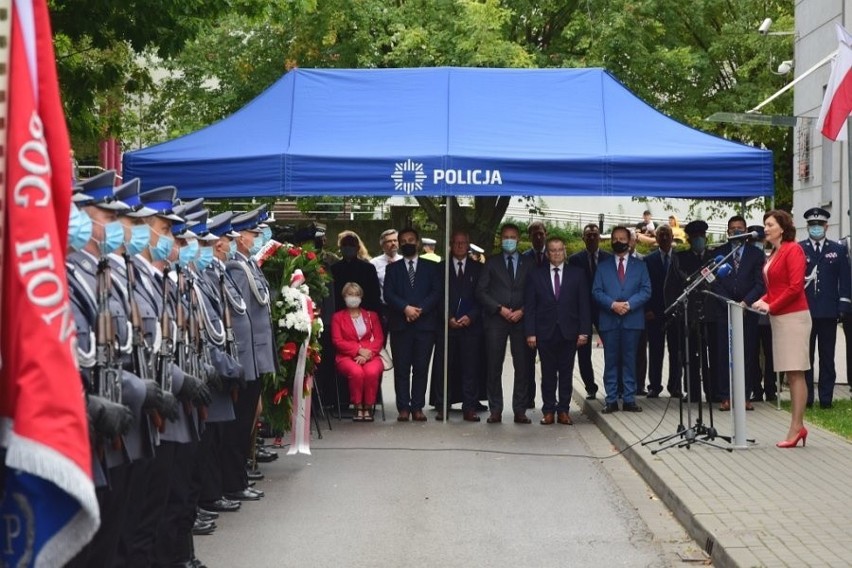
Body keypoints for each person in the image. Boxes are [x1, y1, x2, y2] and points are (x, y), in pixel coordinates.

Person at [752, 210, 811, 448]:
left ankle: (797, 427)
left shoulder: (793, 249)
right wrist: (760, 300)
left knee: (796, 372)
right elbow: (776, 286)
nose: (765, 229)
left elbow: (795, 287)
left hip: (794, 317)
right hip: (780, 317)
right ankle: (797, 425)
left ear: (782, 228)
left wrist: (771, 305)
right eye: (765, 225)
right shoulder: (774, 253)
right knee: (791, 372)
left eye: (769, 224)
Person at [524, 236, 591, 425]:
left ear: (565, 251)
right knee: (547, 374)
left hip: (569, 332)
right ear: (547, 253)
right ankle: (548, 411)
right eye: (552, 250)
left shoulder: (577, 274)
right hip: (544, 332)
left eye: (559, 250)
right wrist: (530, 333)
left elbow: (583, 305)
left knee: (566, 373)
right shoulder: (535, 275)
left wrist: (584, 332)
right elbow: (530, 306)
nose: (556, 253)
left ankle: (563, 410)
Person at [476, 223, 535, 424]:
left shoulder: (529, 262)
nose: (509, 240)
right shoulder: (491, 263)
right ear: (501, 240)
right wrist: (499, 308)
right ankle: (495, 409)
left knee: (523, 366)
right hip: (496, 320)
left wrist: (522, 310)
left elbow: (536, 292)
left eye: (513, 236)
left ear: (518, 239)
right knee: (494, 365)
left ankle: (520, 409)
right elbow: (481, 291)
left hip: (521, 320)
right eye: (505, 237)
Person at [383, 228, 443, 421]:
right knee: (401, 369)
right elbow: (389, 294)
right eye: (403, 240)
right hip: (401, 325)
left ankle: (417, 407)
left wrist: (419, 310)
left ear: (417, 243)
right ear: (399, 244)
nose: (407, 243)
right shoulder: (392, 268)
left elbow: (436, 292)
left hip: (425, 326)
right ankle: (403, 408)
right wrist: (405, 309)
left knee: (421, 368)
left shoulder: (431, 267)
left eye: (411, 240)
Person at [708, 215, 765, 412]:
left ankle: (745, 396)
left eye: (740, 228)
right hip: (725, 311)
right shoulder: (719, 253)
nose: (736, 232)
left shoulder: (756, 254)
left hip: (747, 311)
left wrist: (745, 302)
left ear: (747, 230)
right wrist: (729, 303)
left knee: (747, 354)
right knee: (725, 354)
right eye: (733, 229)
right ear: (727, 232)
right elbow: (714, 282)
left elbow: (760, 284)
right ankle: (726, 396)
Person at [592, 225, 652, 413]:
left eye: (622, 238)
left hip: (632, 320)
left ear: (630, 241)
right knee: (610, 361)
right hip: (609, 320)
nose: (618, 242)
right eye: (615, 239)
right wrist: (612, 305)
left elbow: (646, 290)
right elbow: (596, 291)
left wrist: (629, 304)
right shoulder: (602, 266)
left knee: (629, 360)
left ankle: (628, 399)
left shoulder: (640, 266)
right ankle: (610, 400)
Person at [800, 207, 851, 408]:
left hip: (829, 311)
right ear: (807, 227)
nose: (816, 228)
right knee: (807, 357)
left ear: (826, 226)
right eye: (812, 225)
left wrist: (843, 305)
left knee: (827, 357)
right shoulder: (800, 248)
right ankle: (807, 398)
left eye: (819, 225)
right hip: (806, 310)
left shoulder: (837, 250)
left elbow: (845, 280)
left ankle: (826, 398)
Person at [432, 230, 484, 422]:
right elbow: (437, 296)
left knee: (470, 368)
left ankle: (469, 407)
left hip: (471, 326)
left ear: (468, 244)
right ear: (451, 245)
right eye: (456, 243)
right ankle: (442, 406)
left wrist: (471, 317)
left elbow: (481, 296)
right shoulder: (441, 268)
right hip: (447, 326)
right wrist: (448, 317)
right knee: (443, 368)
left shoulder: (478, 268)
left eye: (463, 243)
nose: (460, 246)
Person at [672, 219, 715, 402]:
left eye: (701, 236)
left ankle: (713, 390)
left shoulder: (714, 257)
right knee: (690, 357)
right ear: (689, 239)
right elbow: (674, 285)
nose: (699, 239)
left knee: (712, 355)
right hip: (689, 316)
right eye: (695, 237)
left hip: (712, 314)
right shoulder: (680, 258)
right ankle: (693, 392)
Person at [567, 223, 611, 399]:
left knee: (611, 350)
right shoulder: (575, 260)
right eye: (588, 235)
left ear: (600, 237)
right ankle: (590, 387)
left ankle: (612, 387)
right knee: (584, 352)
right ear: (583, 238)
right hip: (582, 312)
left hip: (604, 310)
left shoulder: (609, 259)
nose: (592, 238)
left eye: (595, 235)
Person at [331, 282, 385, 421]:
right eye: (350, 294)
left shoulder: (371, 315)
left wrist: (368, 354)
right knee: (356, 372)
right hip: (346, 356)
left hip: (370, 354)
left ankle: (368, 406)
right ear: (344, 296)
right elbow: (337, 341)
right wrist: (357, 351)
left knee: (371, 372)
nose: (353, 297)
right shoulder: (337, 317)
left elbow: (379, 338)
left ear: (361, 297)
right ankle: (357, 406)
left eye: (356, 294)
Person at [643, 224, 682, 398]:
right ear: (656, 238)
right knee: (655, 351)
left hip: (676, 312)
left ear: (672, 236)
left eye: (667, 234)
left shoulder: (680, 258)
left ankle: (675, 386)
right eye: (661, 235)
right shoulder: (648, 260)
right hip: (655, 313)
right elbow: (645, 286)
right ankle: (654, 386)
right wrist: (648, 309)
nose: (664, 238)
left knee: (676, 352)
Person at [521, 221, 548, 408]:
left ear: (545, 234)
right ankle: (528, 398)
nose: (538, 237)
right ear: (529, 237)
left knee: (548, 364)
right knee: (527, 364)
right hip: (528, 317)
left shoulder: (555, 256)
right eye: (534, 234)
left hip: (549, 318)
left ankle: (548, 400)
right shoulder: (523, 259)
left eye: (541, 234)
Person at [331, 233, 382, 314]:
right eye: (344, 245)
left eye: (351, 245)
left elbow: (375, 294)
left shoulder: (368, 268)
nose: (348, 247)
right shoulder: (334, 269)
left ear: (358, 248)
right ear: (340, 248)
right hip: (341, 313)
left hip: (365, 311)